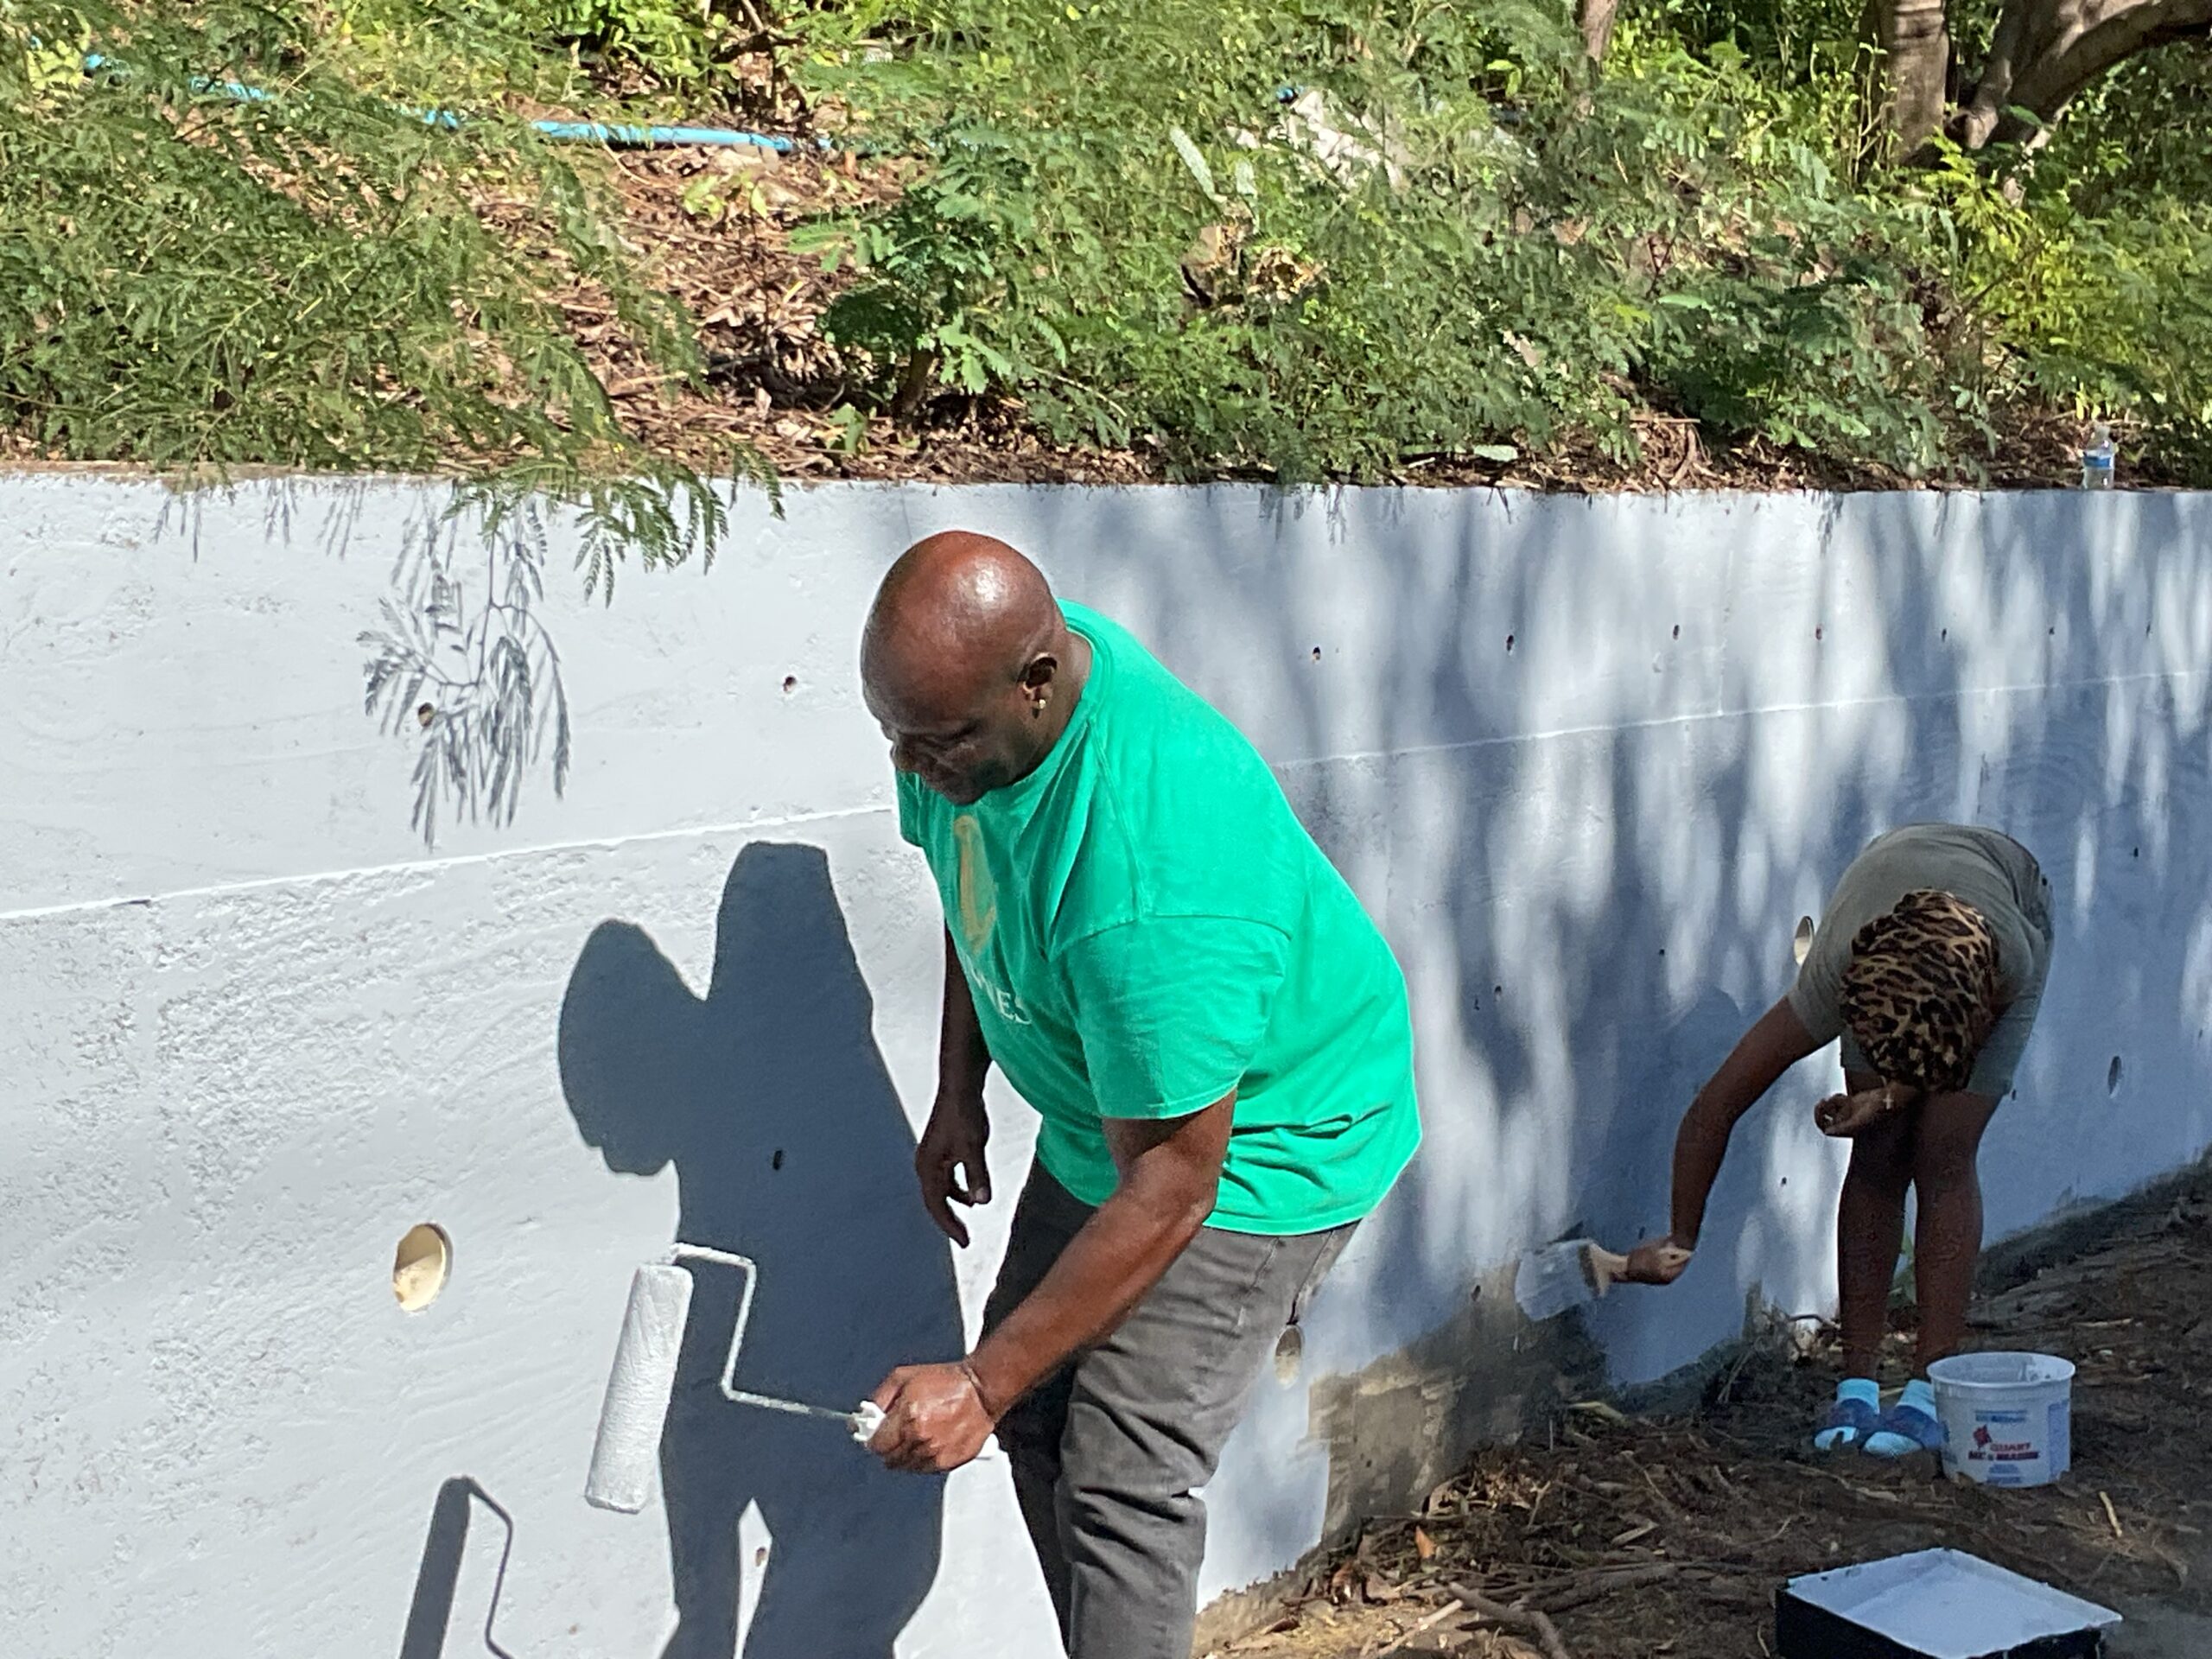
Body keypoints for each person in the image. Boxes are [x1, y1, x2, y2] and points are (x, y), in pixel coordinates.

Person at [856, 531, 1421, 1657]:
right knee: (1041, 1410)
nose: (916, 771)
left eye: (940, 744)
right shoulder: (960, 722)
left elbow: (1171, 1186)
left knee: (1122, 1479)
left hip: (1264, 1139)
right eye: (898, 740)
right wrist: (959, 1086)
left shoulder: (1154, 875)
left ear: (1038, 681)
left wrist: (978, 1383)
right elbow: (978, 894)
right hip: (1115, 1116)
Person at [1621, 823, 2054, 1457]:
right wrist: (1681, 1235)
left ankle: (1928, 1394)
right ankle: (1856, 1388)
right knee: (1878, 1151)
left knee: (1943, 1152)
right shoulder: (1839, 974)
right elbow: (1716, 1106)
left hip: (2004, 900)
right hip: (1890, 900)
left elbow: (1945, 1052)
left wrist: (1887, 1094)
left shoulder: (2008, 963)